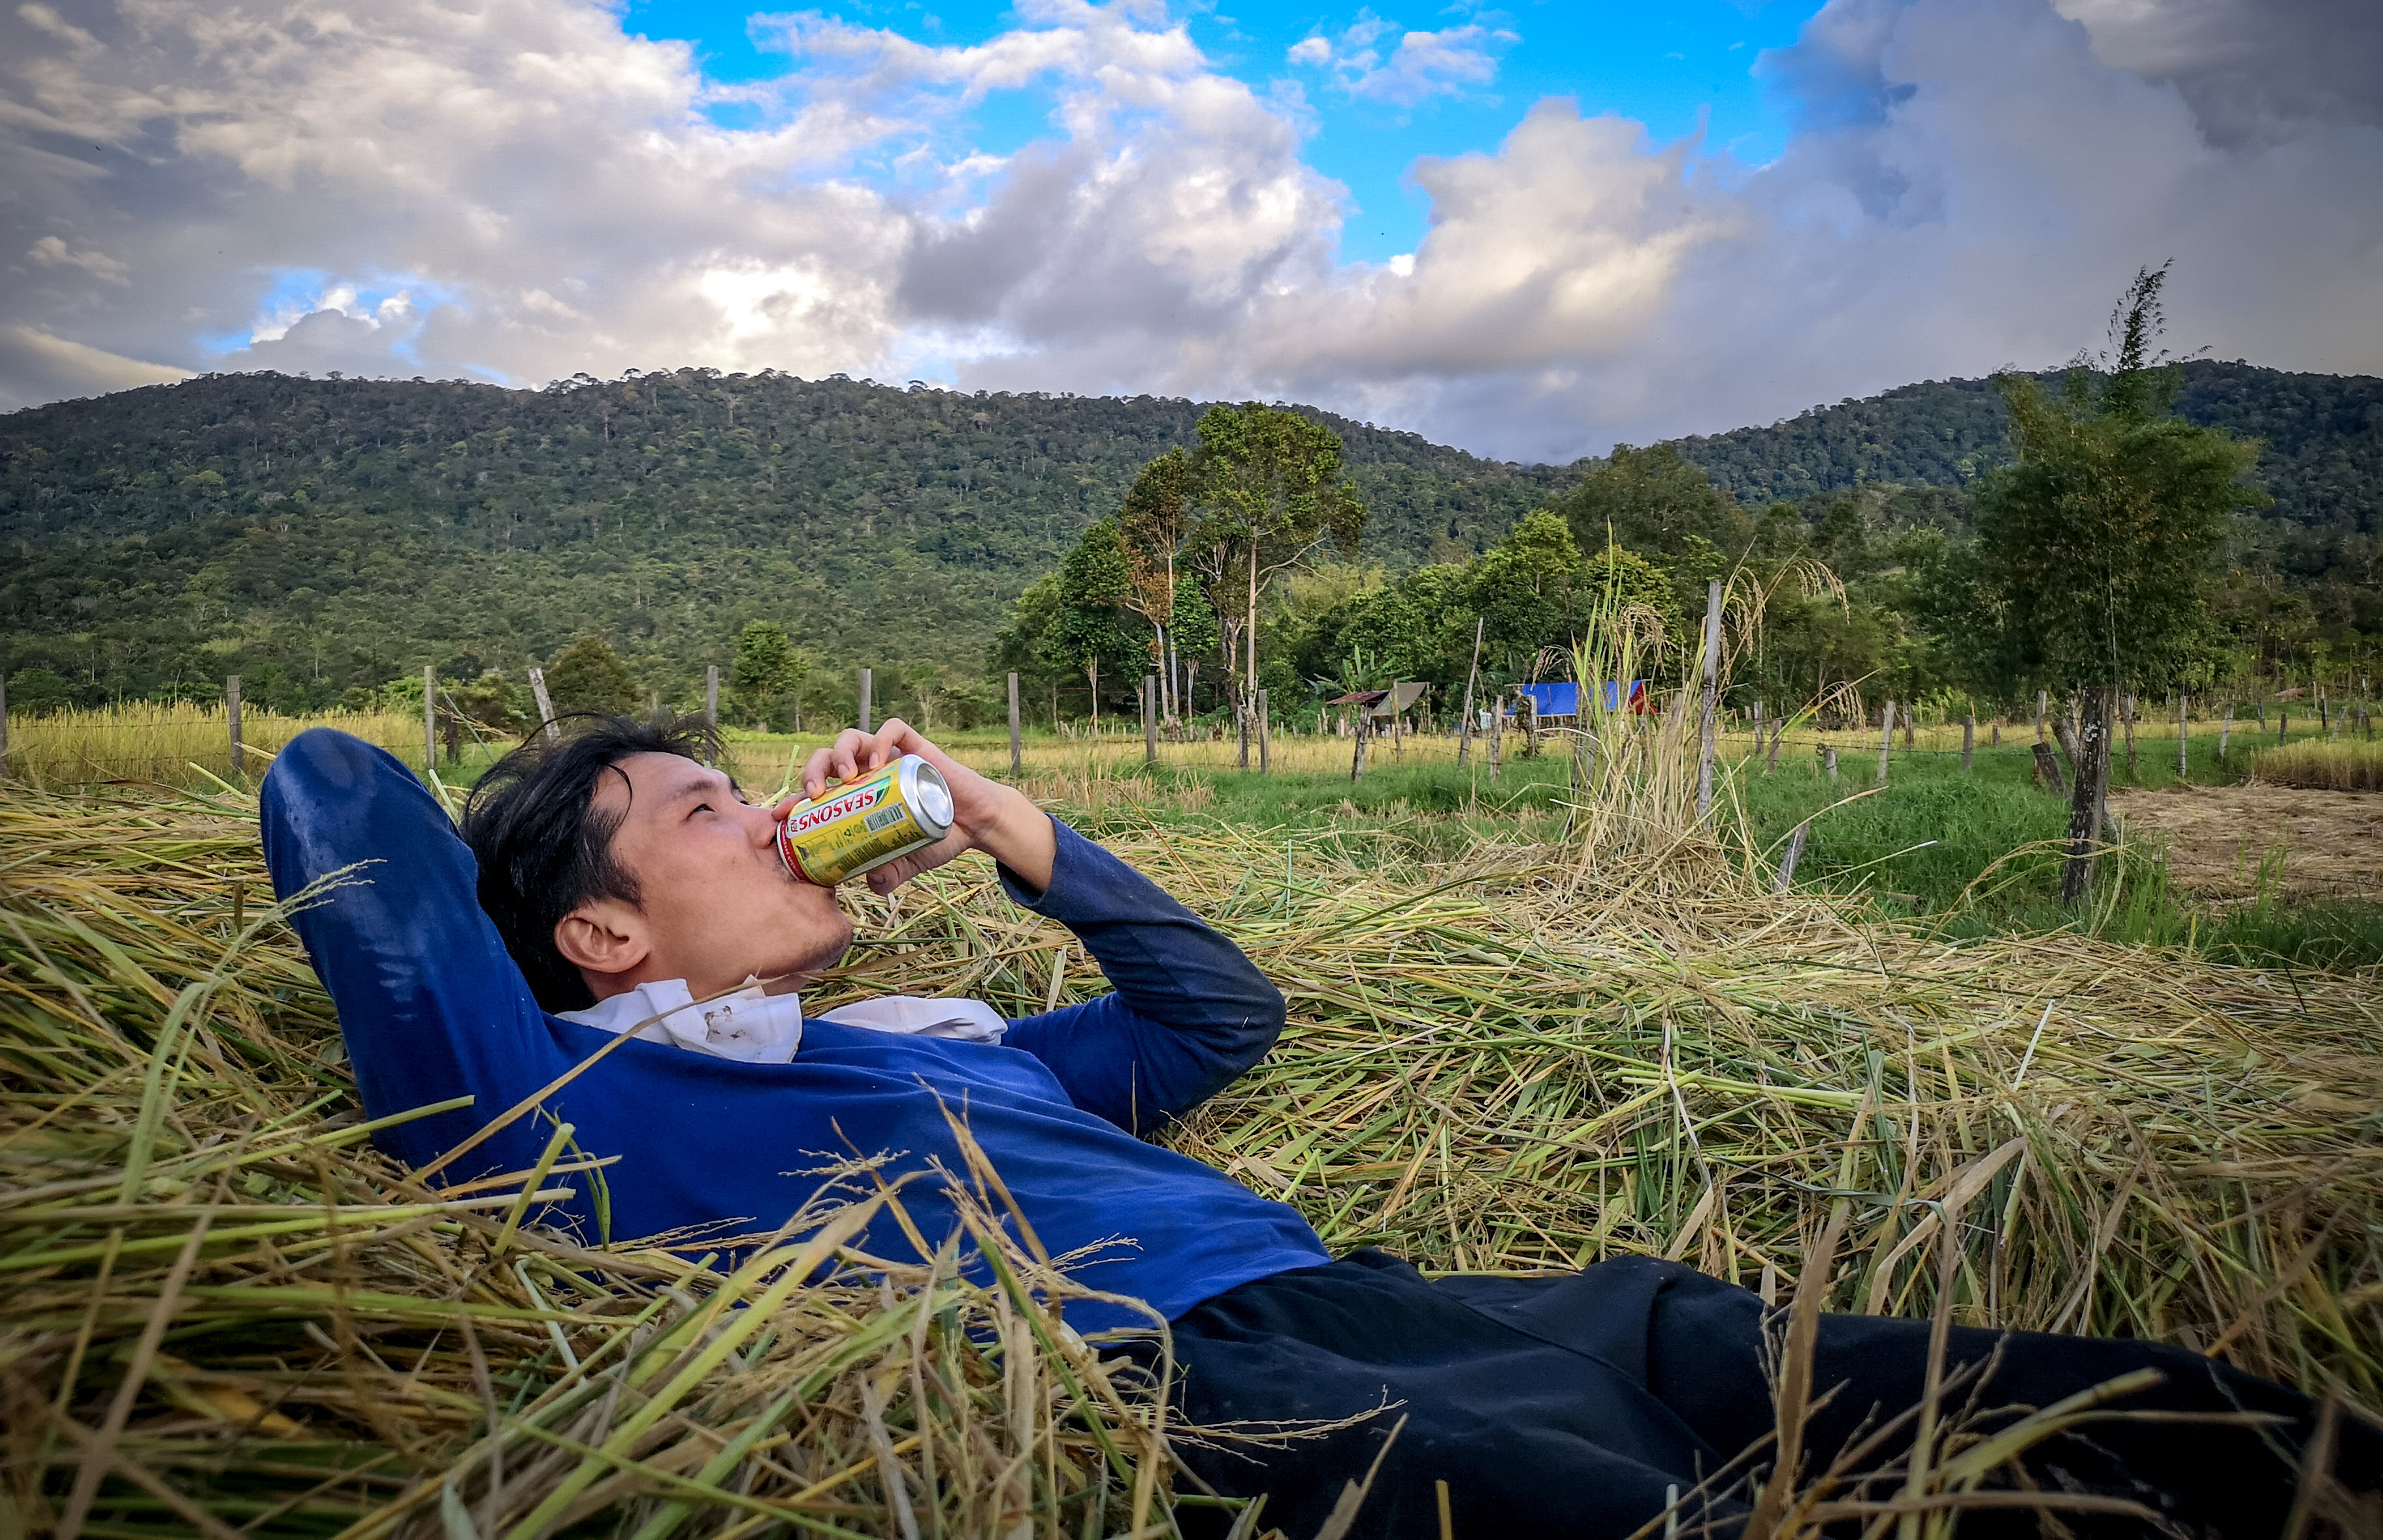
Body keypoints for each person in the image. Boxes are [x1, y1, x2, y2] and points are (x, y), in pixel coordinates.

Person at [260, 716, 2372, 1539]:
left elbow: (1215, 1016)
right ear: (605, 928)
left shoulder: (952, 1037)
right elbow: (340, 807)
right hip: (1225, 1383)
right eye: (705, 808)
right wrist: (563, 924)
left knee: (2038, 1400)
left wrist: (1014, 834)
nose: (766, 805)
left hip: (1427, 1298)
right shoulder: (597, 1105)